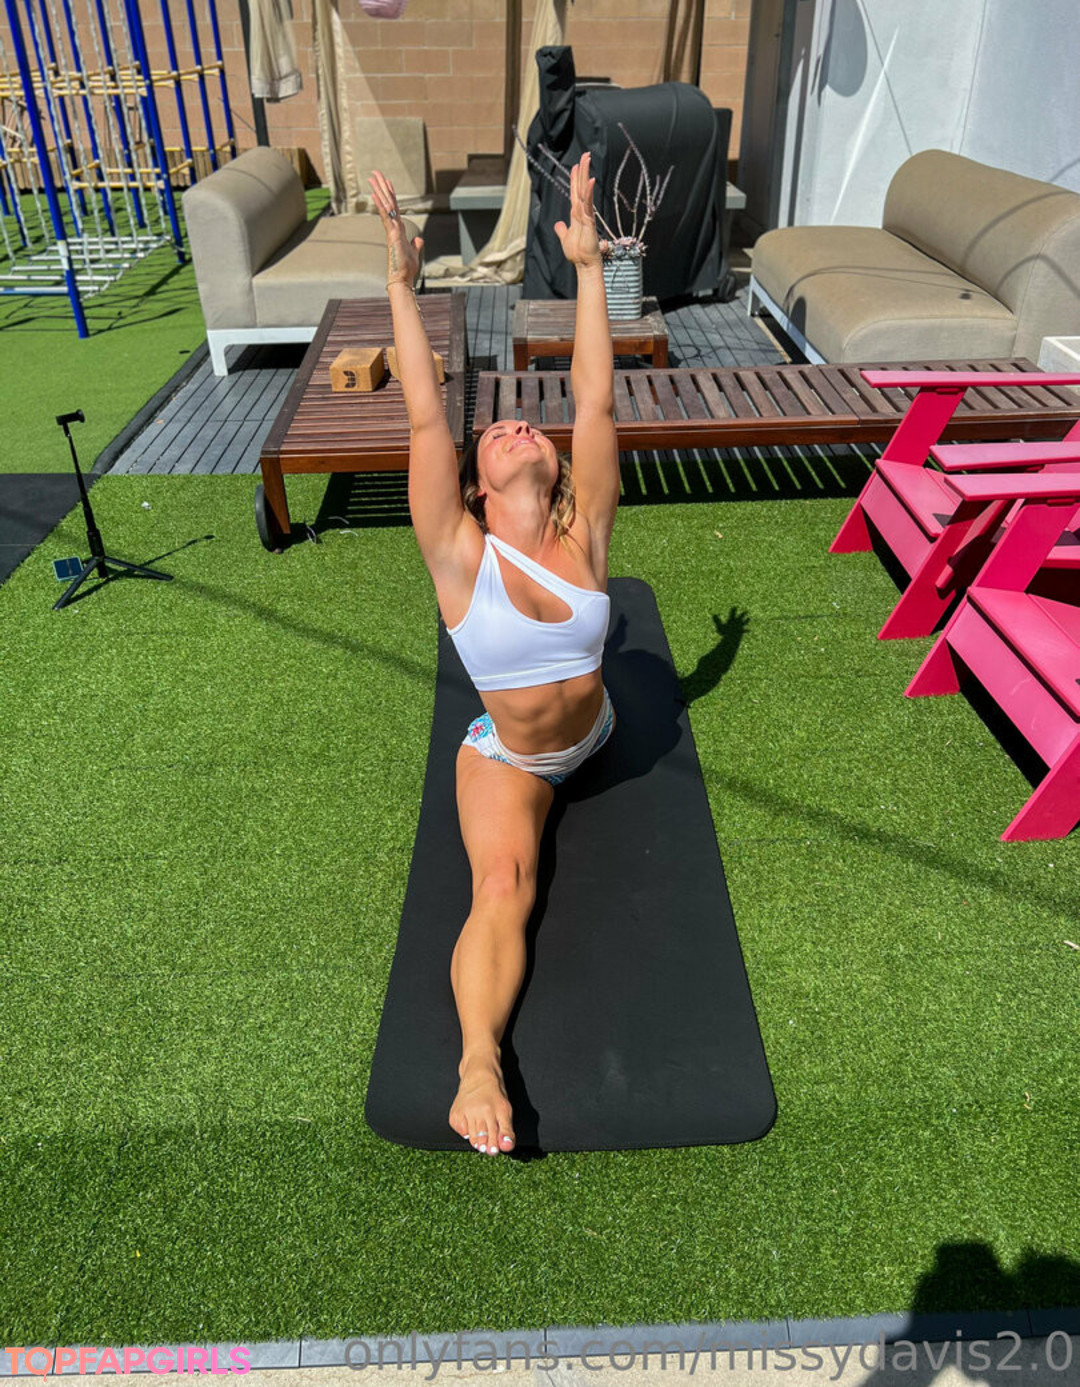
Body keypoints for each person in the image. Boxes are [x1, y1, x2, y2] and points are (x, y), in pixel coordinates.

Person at [369, 152, 619, 1158]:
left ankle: (483, 1058)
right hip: (511, 758)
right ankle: (480, 1063)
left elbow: (594, 404)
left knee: (528, 857)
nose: (520, 422)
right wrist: (403, 284)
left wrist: (590, 267)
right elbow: (426, 411)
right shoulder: (457, 554)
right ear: (474, 484)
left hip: (599, 733)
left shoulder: (586, 531)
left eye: (529, 424)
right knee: (505, 883)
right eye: (503, 427)